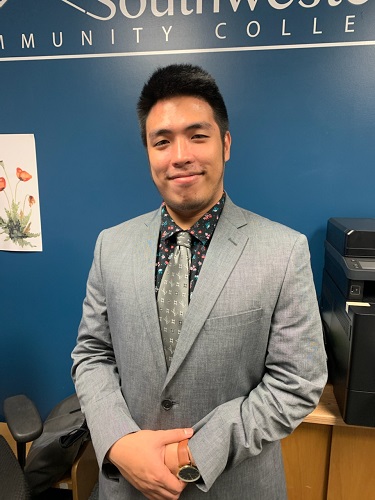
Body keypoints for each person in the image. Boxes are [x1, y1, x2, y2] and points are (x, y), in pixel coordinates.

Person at [72, 63, 327, 500]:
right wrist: (119, 443)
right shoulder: (110, 246)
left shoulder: (283, 251)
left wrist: (188, 454)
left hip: (235, 486)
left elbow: (297, 382)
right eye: (162, 141)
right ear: (149, 153)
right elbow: (92, 354)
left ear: (225, 144)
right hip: (127, 486)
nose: (180, 155)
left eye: (197, 135)